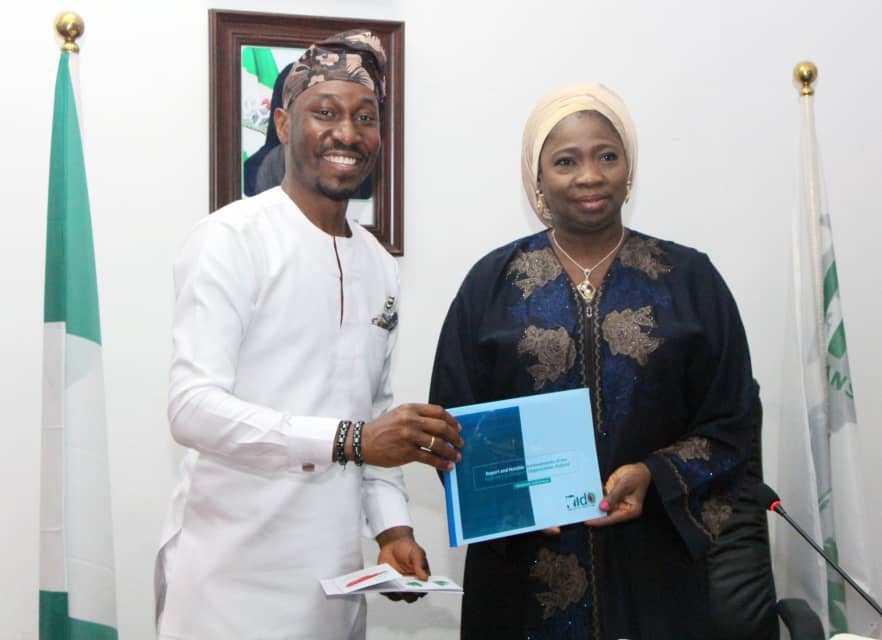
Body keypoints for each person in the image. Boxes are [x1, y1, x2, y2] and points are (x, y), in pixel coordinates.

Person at [155, 30, 463, 640]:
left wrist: (393, 529)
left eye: (365, 117)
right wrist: (352, 440)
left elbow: (369, 409)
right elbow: (192, 409)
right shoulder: (231, 239)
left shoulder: (378, 264)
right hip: (228, 584)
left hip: (335, 587)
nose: (347, 133)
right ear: (281, 123)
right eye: (325, 112)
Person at [429, 84, 754, 639]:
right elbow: (449, 425)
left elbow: (733, 420)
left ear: (629, 168)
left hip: (656, 566)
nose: (589, 176)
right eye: (565, 161)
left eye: (607, 156)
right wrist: (512, 500)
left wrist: (654, 475)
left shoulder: (689, 279)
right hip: (524, 572)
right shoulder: (492, 284)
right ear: (537, 177)